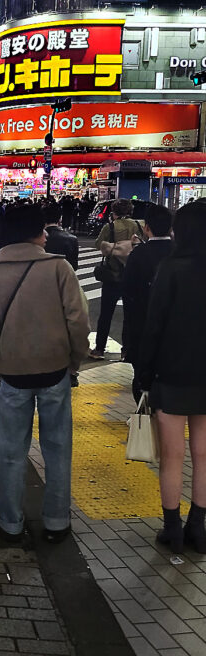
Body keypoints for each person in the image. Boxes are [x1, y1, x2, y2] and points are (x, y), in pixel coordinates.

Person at [0, 204, 89, 542]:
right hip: (54, 370)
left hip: (12, 372)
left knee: (10, 452)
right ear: (39, 233)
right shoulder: (58, 268)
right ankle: (56, 521)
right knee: (57, 449)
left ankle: (10, 521)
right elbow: (78, 322)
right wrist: (74, 361)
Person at [135, 202, 206, 555]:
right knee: (205, 455)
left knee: (173, 456)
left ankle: (173, 528)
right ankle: (200, 527)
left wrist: (144, 374)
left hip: (172, 374)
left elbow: (154, 326)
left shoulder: (171, 269)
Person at [122, 204, 173, 405]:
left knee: (142, 374)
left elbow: (128, 294)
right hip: (175, 329)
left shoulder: (139, 254)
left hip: (142, 325)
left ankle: (145, 411)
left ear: (146, 228)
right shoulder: (178, 252)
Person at [90, 198, 143, 359]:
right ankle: (126, 350)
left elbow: (99, 244)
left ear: (114, 212)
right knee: (129, 315)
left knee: (106, 313)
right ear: (130, 211)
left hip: (112, 274)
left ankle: (99, 349)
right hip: (131, 275)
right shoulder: (138, 225)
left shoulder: (110, 226)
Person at [43, 201, 79, 270]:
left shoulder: (37, 238)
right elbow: (74, 266)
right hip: (64, 275)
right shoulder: (72, 239)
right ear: (60, 219)